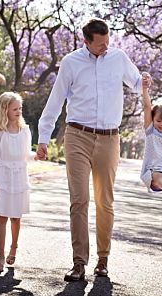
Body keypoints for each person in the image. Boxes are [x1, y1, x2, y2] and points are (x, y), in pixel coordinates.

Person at [36, 18, 146, 282]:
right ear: (86, 41)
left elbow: (139, 84)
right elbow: (56, 101)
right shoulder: (71, 63)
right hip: (77, 136)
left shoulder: (118, 58)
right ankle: (78, 262)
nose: (105, 47)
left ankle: (103, 259)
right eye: (100, 44)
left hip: (109, 138)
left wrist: (148, 83)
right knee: (79, 199)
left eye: (108, 41)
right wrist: (43, 137)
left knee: (104, 201)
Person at [0, 92, 32, 272]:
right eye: (15, 109)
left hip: (19, 176)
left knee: (16, 218)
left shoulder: (25, 130)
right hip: (2, 177)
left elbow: (27, 156)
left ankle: (14, 248)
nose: (19, 111)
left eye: (20, 108)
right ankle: (1, 256)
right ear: (5, 110)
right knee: (2, 217)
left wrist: (39, 156)